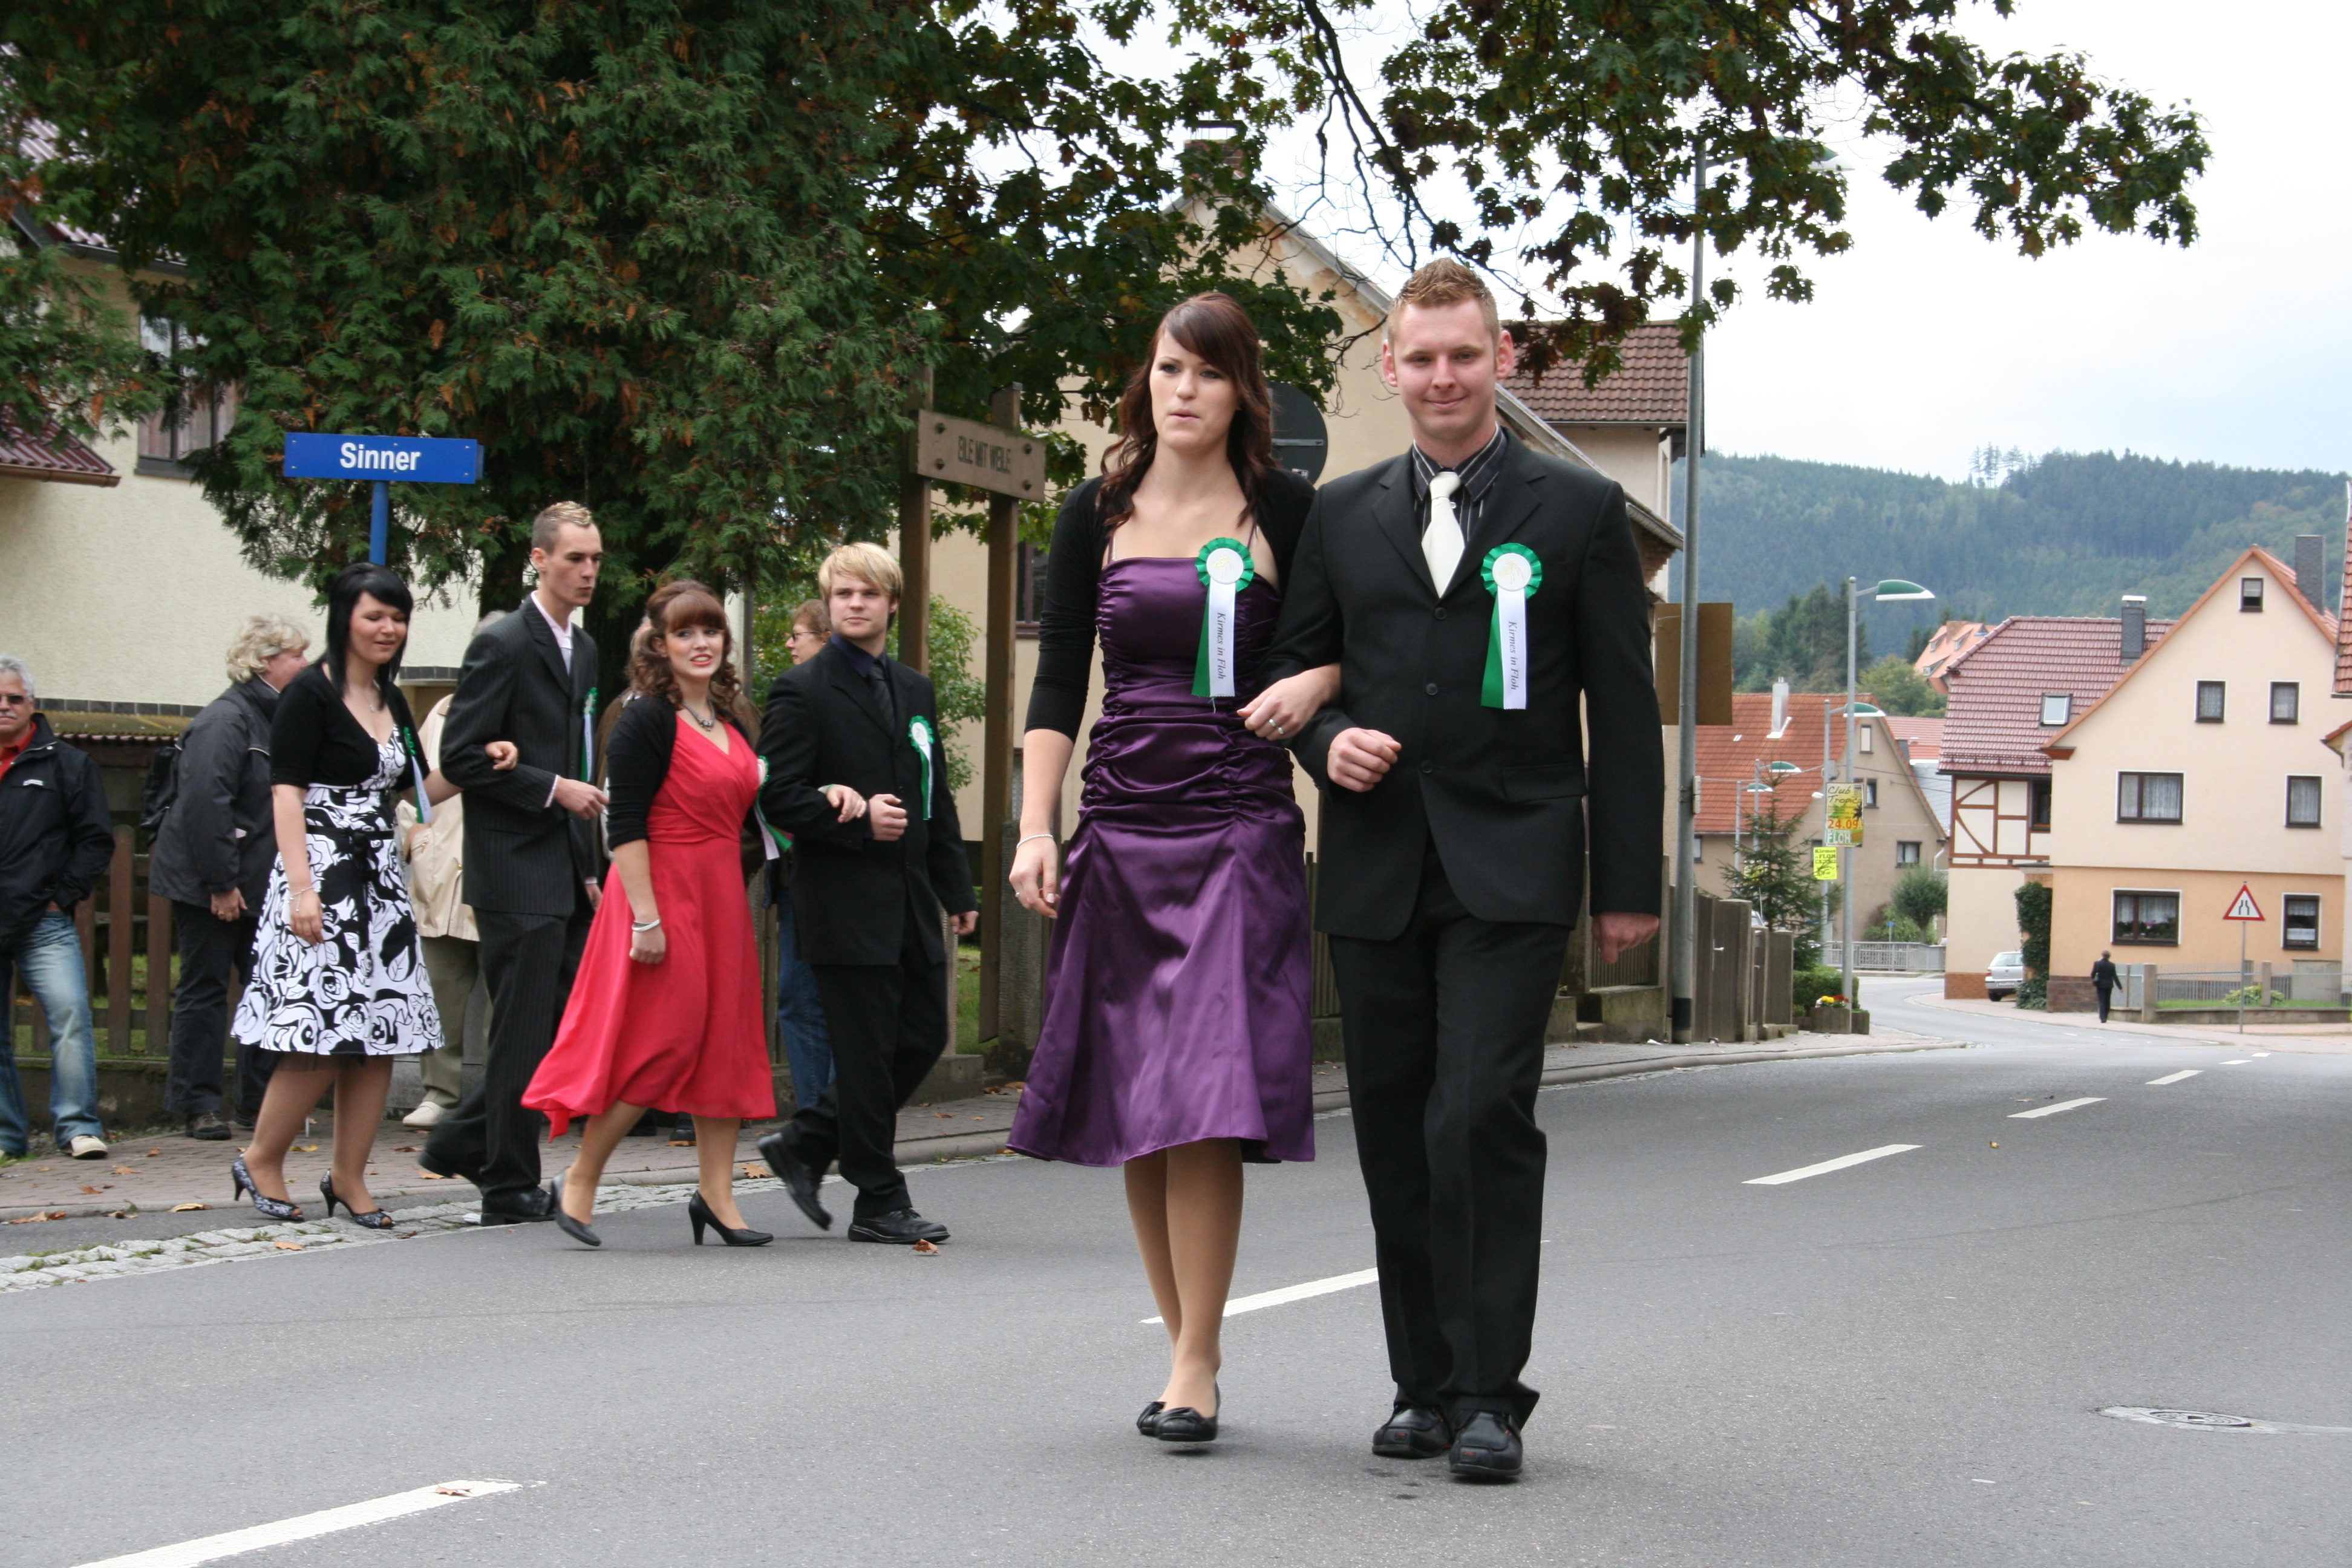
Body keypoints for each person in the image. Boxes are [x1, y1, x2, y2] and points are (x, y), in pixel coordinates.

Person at [1254, 260, 1664, 1480]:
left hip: (1515, 859)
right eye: (1422, 358)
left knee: (1479, 1112)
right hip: (1378, 863)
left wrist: (1626, 884)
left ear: (1501, 360)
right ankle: (1420, 1389)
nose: (1443, 377)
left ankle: (1489, 1396)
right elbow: (1297, 669)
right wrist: (1329, 744)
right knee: (1393, 1124)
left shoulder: (1578, 510)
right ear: (1392, 367)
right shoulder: (1338, 513)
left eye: (1464, 355)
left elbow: (1623, 710)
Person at [1005, 292, 1338, 1443]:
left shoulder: (1286, 508)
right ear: (1143, 381)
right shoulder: (1092, 509)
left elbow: (1344, 640)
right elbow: (1058, 681)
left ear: (1243, 390)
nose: (1183, 390)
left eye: (1207, 372)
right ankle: (1183, 1343)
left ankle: (1197, 1360)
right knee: (1140, 1096)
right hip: (1120, 821)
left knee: (1201, 1096)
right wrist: (1035, 825)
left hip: (1236, 822)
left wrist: (1319, 680)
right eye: (1166, 369)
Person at [526, 581, 807, 1248]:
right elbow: (623, 823)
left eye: (711, 631)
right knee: (664, 1043)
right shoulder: (646, 717)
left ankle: (717, 1196)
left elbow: (764, 803)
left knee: (726, 1044)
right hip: (659, 893)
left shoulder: (731, 717)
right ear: (659, 644)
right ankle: (581, 1178)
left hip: (721, 896)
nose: (701, 643)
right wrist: (646, 919)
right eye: (685, 633)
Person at [229, 564, 499, 1224]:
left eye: (398, 617)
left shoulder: (391, 698)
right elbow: (285, 796)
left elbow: (413, 796)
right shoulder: (309, 694)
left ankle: (348, 1177)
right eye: (375, 616)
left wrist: (477, 765)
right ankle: (261, 1159)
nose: (389, 628)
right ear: (344, 619)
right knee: (321, 1034)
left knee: (380, 1034)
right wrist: (302, 890)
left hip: (379, 879)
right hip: (322, 876)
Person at [756, 543, 976, 1245]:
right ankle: (879, 1199)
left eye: (868, 594)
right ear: (829, 604)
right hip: (842, 901)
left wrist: (957, 887)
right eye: (843, 594)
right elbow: (777, 795)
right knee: (866, 1052)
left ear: (892, 603)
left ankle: (806, 1141)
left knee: (925, 1034)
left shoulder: (914, 689)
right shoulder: (802, 689)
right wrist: (854, 823)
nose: (855, 604)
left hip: (910, 899)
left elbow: (934, 794)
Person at [420, 502, 609, 1224]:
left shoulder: (583, 650)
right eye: (574, 559)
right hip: (511, 866)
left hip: (564, 867)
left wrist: (587, 866)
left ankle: (464, 1139)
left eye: (595, 560)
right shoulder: (502, 643)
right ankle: (506, 1182)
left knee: (558, 1025)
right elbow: (462, 756)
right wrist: (550, 788)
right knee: (524, 1028)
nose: (587, 572)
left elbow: (580, 760)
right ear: (539, 560)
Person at [151, 615, 310, 1140]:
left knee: (268, 988)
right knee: (205, 989)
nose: (306, 664)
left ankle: (257, 1102)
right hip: (211, 882)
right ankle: (198, 1105)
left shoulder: (276, 718)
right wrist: (221, 884)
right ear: (265, 662)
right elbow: (205, 804)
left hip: (258, 881)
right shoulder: (225, 720)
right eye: (296, 655)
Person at [394, 612, 508, 1131]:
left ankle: (496, 1097)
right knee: (441, 990)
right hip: (441, 872)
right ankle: (439, 1093)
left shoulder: (525, 710)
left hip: (500, 870)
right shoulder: (442, 712)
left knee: (505, 996)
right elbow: (412, 787)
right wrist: (415, 838)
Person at [0, 655, 116, 1160]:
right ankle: (6, 1137)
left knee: (69, 1017)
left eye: (14, 698)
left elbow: (95, 839)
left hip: (43, 922)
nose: (4, 707)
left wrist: (60, 898)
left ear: (32, 704)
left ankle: (78, 1127)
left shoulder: (67, 764)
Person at [774, 598, 835, 1112]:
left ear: (825, 639)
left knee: (835, 1000)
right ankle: (818, 1114)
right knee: (798, 997)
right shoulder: (790, 695)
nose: (790, 644)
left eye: (799, 635)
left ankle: (835, 1114)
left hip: (840, 872)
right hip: (795, 876)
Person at [2091, 950, 2120, 1022]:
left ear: (2102, 956)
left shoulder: (2097, 963)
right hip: (2109, 985)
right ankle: (2106, 1016)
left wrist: (2094, 980)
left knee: (2102, 1001)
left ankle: (2103, 1017)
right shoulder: (2112, 965)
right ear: (2109, 957)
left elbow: (2093, 974)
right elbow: (2115, 976)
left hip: (2100, 984)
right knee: (2107, 1001)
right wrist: (2120, 987)